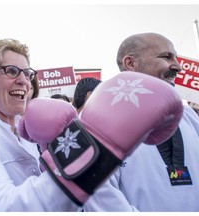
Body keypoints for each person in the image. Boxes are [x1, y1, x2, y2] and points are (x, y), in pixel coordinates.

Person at [0, 37, 183, 212]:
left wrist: (60, 148)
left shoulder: (30, 132)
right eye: (11, 71)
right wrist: (96, 147)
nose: (24, 81)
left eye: (28, 74)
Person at [84, 32, 199, 212]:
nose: (178, 67)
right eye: (167, 57)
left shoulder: (188, 115)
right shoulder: (96, 121)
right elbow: (101, 197)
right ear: (131, 63)